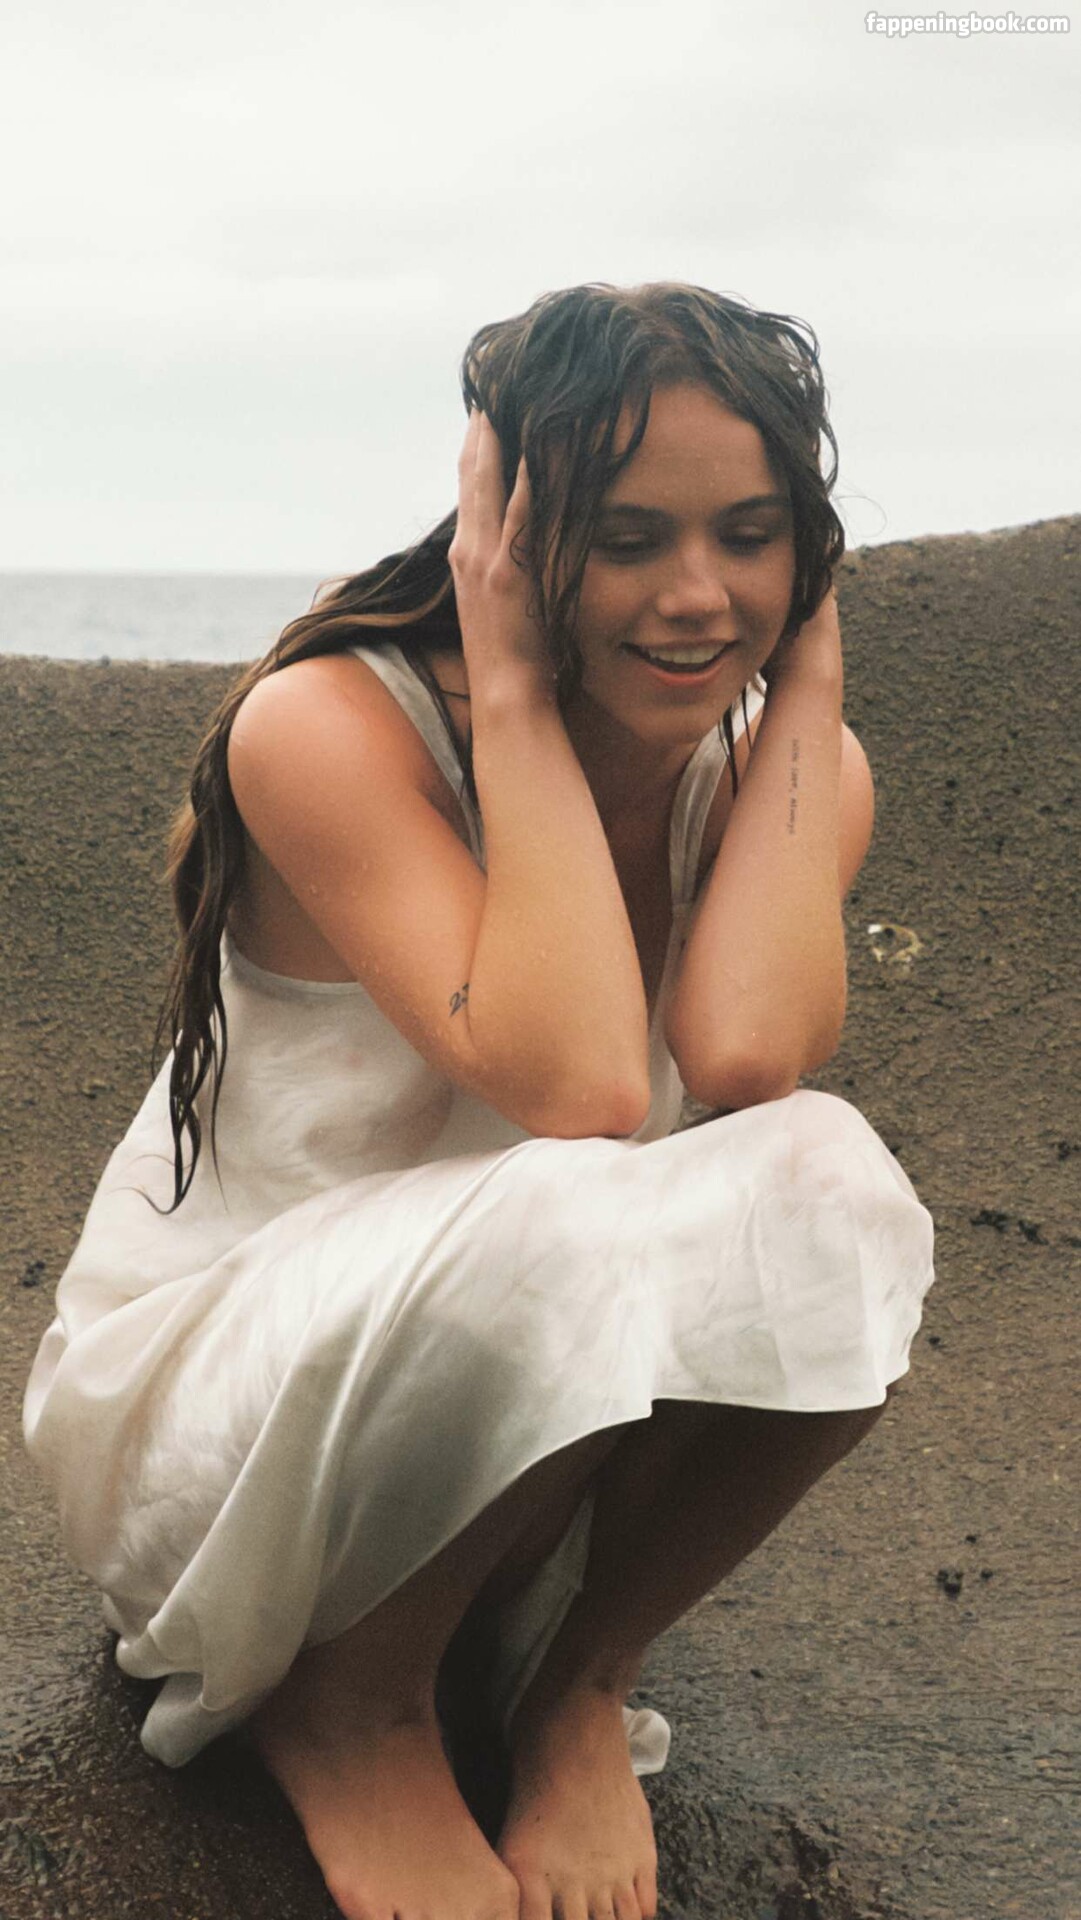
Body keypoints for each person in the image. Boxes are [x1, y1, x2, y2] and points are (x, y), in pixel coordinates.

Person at [23, 280, 935, 1920]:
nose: (696, 596)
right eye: (626, 538)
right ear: (509, 537)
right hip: (234, 1448)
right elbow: (581, 1085)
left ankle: (578, 1683)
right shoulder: (328, 728)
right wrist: (511, 695)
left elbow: (746, 1060)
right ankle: (351, 1711)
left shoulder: (782, 765)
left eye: (748, 536)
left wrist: (803, 699)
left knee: (836, 1181)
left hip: (527, 1436)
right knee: (582, 1184)